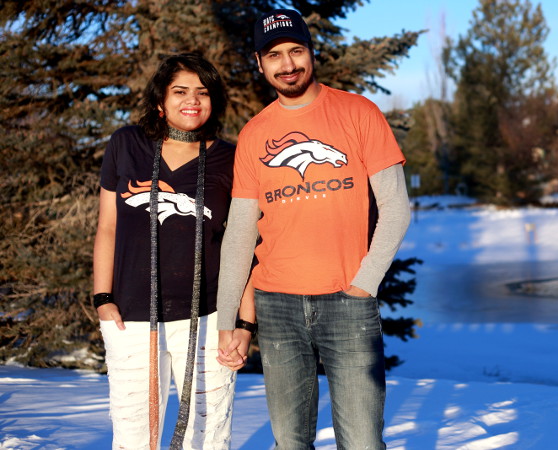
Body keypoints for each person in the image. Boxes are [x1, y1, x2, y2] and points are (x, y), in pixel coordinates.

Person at [216, 9, 411, 449]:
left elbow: (396, 209)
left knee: (361, 441)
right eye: (275, 56)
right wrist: (230, 318)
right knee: (290, 442)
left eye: (296, 51)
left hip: (349, 303)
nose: (288, 64)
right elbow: (240, 234)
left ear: (311, 52)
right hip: (277, 307)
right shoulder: (254, 135)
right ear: (260, 62)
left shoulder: (359, 113)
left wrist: (364, 284)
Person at [93, 52, 254, 449]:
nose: (192, 100)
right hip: (129, 319)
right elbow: (107, 227)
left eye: (202, 92)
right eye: (180, 91)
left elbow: (244, 247)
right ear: (160, 101)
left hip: (209, 319)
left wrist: (245, 323)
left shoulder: (230, 158)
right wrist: (102, 299)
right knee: (134, 437)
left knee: (208, 436)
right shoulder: (126, 144)